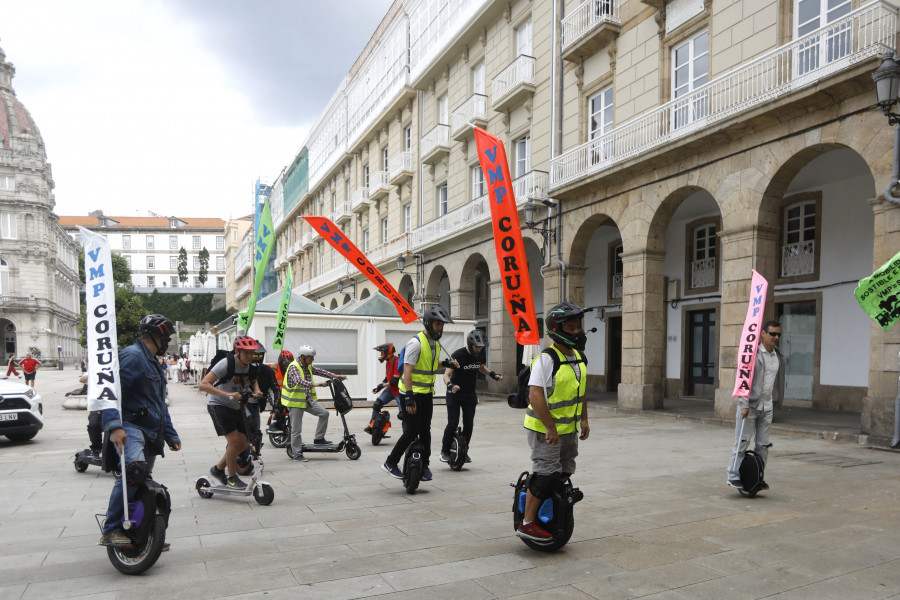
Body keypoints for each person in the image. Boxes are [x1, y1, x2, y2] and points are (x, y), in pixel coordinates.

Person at [99, 314, 181, 546]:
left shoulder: (154, 363)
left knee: (141, 480)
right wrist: (114, 426)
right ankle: (112, 529)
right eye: (166, 337)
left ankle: (141, 531)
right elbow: (110, 393)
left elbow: (159, 403)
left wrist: (171, 434)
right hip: (130, 426)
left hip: (151, 431)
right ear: (156, 336)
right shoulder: (132, 356)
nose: (167, 342)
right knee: (133, 472)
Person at [517, 302, 590, 543]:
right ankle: (527, 523)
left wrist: (585, 419)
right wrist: (550, 427)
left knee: (565, 470)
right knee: (546, 473)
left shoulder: (579, 357)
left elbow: (581, 390)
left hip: (568, 429)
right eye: (570, 328)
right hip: (544, 429)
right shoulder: (547, 359)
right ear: (557, 329)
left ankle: (549, 508)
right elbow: (535, 394)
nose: (577, 332)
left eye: (577, 327)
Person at [381, 305, 458, 482]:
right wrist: (408, 397)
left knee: (426, 431)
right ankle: (390, 462)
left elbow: (431, 364)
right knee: (411, 431)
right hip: (411, 393)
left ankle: (425, 465)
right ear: (429, 323)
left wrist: (447, 364)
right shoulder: (415, 343)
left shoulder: (435, 343)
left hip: (426, 393)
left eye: (442, 325)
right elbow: (407, 371)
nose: (440, 328)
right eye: (438, 324)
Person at [727, 319, 785, 490]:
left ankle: (757, 477)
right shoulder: (751, 354)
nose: (776, 337)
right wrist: (743, 403)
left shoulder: (778, 357)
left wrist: (776, 400)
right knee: (742, 442)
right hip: (750, 406)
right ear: (763, 334)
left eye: (779, 335)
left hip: (767, 407)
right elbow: (743, 378)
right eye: (773, 334)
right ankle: (732, 475)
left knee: (763, 445)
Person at [198, 336, 262, 489]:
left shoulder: (250, 366)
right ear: (237, 352)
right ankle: (232, 478)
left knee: (242, 443)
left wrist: (257, 390)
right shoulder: (226, 364)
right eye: (246, 353)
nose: (250, 356)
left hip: (236, 406)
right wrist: (227, 395)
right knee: (234, 441)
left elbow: (253, 379)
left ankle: (218, 469)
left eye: (252, 353)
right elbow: (203, 385)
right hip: (218, 404)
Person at [440, 329, 502, 463]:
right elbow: (446, 375)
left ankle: (464, 450)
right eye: (476, 347)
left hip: (469, 393)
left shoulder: (480, 354)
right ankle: (444, 451)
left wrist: (493, 375)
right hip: (455, 393)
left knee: (469, 424)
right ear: (470, 344)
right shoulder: (458, 354)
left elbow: (481, 366)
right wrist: (450, 385)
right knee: (453, 423)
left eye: (481, 348)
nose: (479, 350)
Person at [280, 345, 344, 462]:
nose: (313, 359)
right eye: (311, 357)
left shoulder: (307, 365)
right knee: (296, 430)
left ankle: (319, 438)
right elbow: (298, 381)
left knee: (324, 413)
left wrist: (335, 376)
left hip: (307, 399)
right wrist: (317, 384)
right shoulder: (294, 366)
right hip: (295, 402)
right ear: (303, 357)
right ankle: (297, 454)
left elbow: (319, 371)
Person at [365, 343, 405, 434]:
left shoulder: (397, 361)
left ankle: (407, 435)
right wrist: (379, 387)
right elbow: (388, 378)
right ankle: (372, 426)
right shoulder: (388, 362)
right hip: (390, 390)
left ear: (388, 352)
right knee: (377, 405)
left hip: (399, 392)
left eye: (382, 353)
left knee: (403, 415)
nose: (381, 355)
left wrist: (382, 386)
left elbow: (395, 381)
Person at [267, 350, 293, 433]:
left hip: (285, 393)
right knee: (278, 406)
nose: (287, 364)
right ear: (281, 360)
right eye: (285, 362)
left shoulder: (291, 370)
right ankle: (273, 423)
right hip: (273, 391)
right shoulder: (272, 367)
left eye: (289, 362)